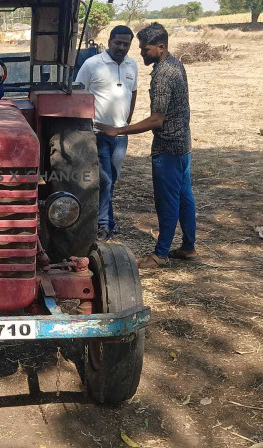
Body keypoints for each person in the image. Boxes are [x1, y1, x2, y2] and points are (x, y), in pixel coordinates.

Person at [97, 23, 197, 269]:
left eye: (145, 49)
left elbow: (156, 119)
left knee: (167, 202)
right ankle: (188, 247)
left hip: (168, 148)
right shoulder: (176, 64)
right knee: (185, 197)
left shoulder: (163, 74)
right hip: (184, 145)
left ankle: (160, 254)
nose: (140, 52)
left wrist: (118, 130)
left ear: (160, 48)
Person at [76, 25, 138, 241]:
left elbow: (133, 93)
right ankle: (102, 224)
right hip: (97, 133)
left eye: (126, 44)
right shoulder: (92, 64)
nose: (121, 47)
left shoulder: (132, 65)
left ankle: (107, 220)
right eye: (118, 43)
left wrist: (125, 125)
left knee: (113, 179)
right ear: (109, 41)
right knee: (104, 180)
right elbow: (77, 93)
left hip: (120, 136)